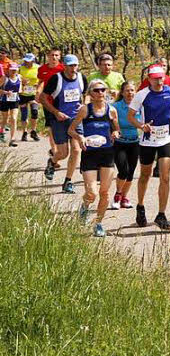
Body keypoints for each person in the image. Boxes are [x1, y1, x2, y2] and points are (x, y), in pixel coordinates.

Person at [128, 64, 170, 230]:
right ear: (149, 79)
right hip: (147, 140)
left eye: (161, 77)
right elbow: (131, 116)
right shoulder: (141, 95)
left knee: (165, 176)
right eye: (155, 78)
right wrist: (141, 125)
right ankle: (141, 206)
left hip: (165, 138)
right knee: (145, 175)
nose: (159, 81)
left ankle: (161, 214)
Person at [69, 79, 119, 237]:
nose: (100, 93)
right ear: (90, 93)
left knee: (104, 193)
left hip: (107, 153)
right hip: (89, 153)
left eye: (103, 90)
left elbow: (117, 129)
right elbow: (71, 130)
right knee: (92, 193)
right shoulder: (85, 110)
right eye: (96, 90)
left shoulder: (111, 111)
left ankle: (98, 223)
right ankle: (84, 207)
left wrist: (115, 133)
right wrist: (80, 137)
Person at [41, 54, 85, 193]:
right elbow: (42, 98)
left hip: (76, 119)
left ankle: (68, 181)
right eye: (70, 65)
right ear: (64, 66)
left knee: (77, 149)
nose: (73, 68)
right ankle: (52, 162)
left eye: (75, 65)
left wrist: (84, 105)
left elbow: (86, 94)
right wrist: (56, 112)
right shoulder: (56, 79)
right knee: (63, 153)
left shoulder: (81, 78)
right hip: (59, 120)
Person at [112, 81, 140, 209]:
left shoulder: (140, 106)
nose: (130, 93)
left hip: (135, 143)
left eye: (132, 90)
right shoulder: (115, 107)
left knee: (131, 173)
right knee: (123, 171)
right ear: (122, 93)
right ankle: (118, 195)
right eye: (127, 90)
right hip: (119, 143)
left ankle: (124, 197)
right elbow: (110, 123)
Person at [36, 48, 63, 160]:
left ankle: (61, 149)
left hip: (61, 102)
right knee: (51, 127)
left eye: (56, 55)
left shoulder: (63, 68)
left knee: (62, 127)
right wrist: (38, 92)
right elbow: (41, 82)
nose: (54, 57)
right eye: (52, 55)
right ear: (48, 56)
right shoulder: (42, 69)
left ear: (60, 57)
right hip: (48, 102)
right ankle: (54, 150)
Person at [17, 53, 40, 142]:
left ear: (33, 60)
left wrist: (37, 84)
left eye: (29, 61)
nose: (26, 62)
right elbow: (15, 78)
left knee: (34, 112)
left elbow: (41, 79)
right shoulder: (20, 68)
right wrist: (21, 82)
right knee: (24, 114)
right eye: (25, 60)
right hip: (23, 94)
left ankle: (33, 131)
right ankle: (24, 132)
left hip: (33, 94)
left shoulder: (38, 67)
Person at [0, 62, 22, 146]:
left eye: (15, 70)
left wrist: (20, 90)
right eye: (12, 70)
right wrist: (5, 92)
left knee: (14, 118)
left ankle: (12, 139)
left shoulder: (19, 77)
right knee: (5, 119)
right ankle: (1, 131)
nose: (13, 71)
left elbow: (20, 88)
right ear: (8, 70)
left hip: (14, 100)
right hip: (4, 100)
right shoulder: (4, 78)